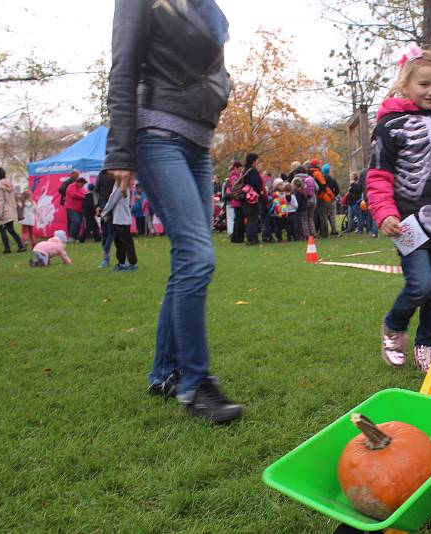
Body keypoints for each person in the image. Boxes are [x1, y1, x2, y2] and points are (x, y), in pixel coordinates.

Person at [104, 0, 242, 422]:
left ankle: (165, 372)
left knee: (188, 260)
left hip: (198, 143)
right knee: (197, 257)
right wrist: (120, 151)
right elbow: (123, 68)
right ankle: (195, 384)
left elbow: (211, 62)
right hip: (156, 134)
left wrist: (224, 88)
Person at [367, 45, 431, 372]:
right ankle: (393, 326)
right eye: (424, 84)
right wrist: (384, 213)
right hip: (408, 225)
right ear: (405, 84)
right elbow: (379, 176)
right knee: (420, 285)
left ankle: (426, 341)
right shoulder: (388, 126)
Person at [101, 182, 138, 272]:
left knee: (126, 242)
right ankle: (121, 262)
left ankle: (132, 263)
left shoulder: (121, 185)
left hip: (122, 219)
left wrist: (104, 212)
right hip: (119, 218)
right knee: (120, 242)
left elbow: (113, 199)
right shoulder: (121, 184)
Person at [0, 167, 26, 253]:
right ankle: (21, 246)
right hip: (11, 211)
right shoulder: (9, 184)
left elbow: (0, 201)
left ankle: (7, 249)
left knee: (3, 230)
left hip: (4, 212)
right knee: (11, 230)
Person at [94, 170, 116, 268]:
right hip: (103, 204)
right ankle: (106, 257)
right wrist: (97, 206)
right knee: (106, 232)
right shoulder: (101, 174)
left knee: (114, 231)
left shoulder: (118, 172)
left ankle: (124, 260)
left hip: (116, 205)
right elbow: (96, 191)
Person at [242, 153, 263, 246]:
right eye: (256, 161)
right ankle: (252, 238)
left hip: (244, 197)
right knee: (253, 218)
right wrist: (260, 191)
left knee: (249, 218)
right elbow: (255, 184)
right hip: (252, 197)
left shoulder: (245, 170)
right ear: (253, 161)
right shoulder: (253, 171)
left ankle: (250, 237)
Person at [64, 174, 88, 242]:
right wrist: (83, 196)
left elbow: (85, 194)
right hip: (71, 207)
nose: (83, 185)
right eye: (82, 184)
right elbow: (74, 194)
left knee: (79, 222)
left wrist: (84, 196)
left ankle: (77, 237)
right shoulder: (71, 186)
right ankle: (71, 236)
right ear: (79, 182)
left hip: (79, 208)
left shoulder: (81, 188)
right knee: (75, 221)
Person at [226, 161, 244, 241]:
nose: (240, 171)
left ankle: (236, 237)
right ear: (235, 168)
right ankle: (237, 237)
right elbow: (235, 188)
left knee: (238, 219)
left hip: (236, 201)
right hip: (237, 200)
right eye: (239, 169)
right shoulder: (234, 177)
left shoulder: (234, 176)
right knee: (239, 219)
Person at [323, 163, 341, 236]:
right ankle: (334, 230)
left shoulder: (321, 179)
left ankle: (324, 231)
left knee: (324, 216)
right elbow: (337, 190)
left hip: (323, 199)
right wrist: (334, 195)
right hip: (331, 199)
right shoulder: (333, 179)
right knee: (332, 215)